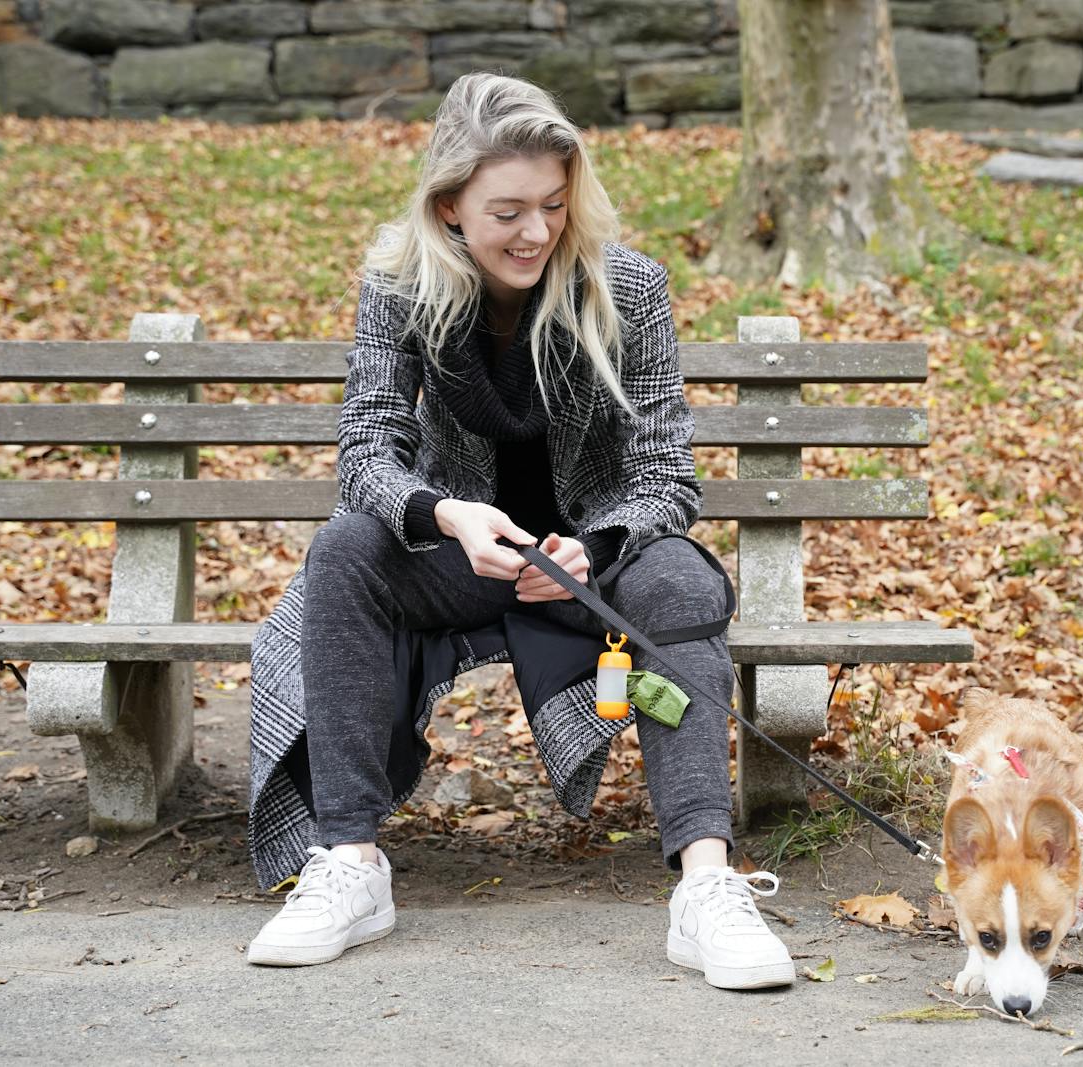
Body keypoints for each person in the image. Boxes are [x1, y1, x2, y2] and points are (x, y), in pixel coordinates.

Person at [242, 72, 796, 990]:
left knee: (685, 584)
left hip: (595, 566)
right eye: (507, 210)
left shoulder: (628, 286)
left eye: (551, 204)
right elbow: (366, 449)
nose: (535, 231)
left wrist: (599, 547)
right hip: (464, 557)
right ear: (450, 205)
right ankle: (349, 865)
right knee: (345, 547)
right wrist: (443, 514)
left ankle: (707, 888)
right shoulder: (400, 287)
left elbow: (667, 474)